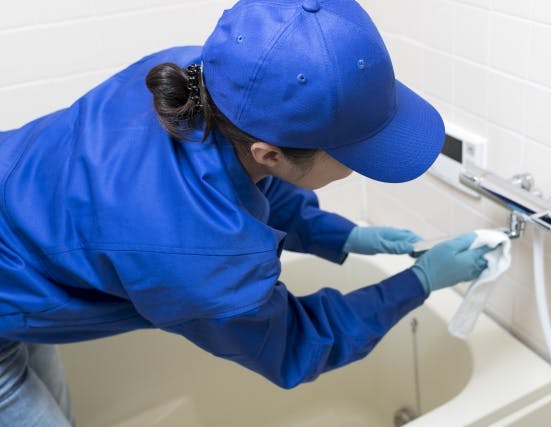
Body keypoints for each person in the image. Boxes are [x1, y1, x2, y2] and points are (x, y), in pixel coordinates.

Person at [0, 0, 491, 425]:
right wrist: (418, 283)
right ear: (269, 153)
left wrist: (339, 236)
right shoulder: (200, 256)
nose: (358, 168)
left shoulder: (202, 80)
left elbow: (238, 180)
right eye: (353, 156)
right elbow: (296, 344)